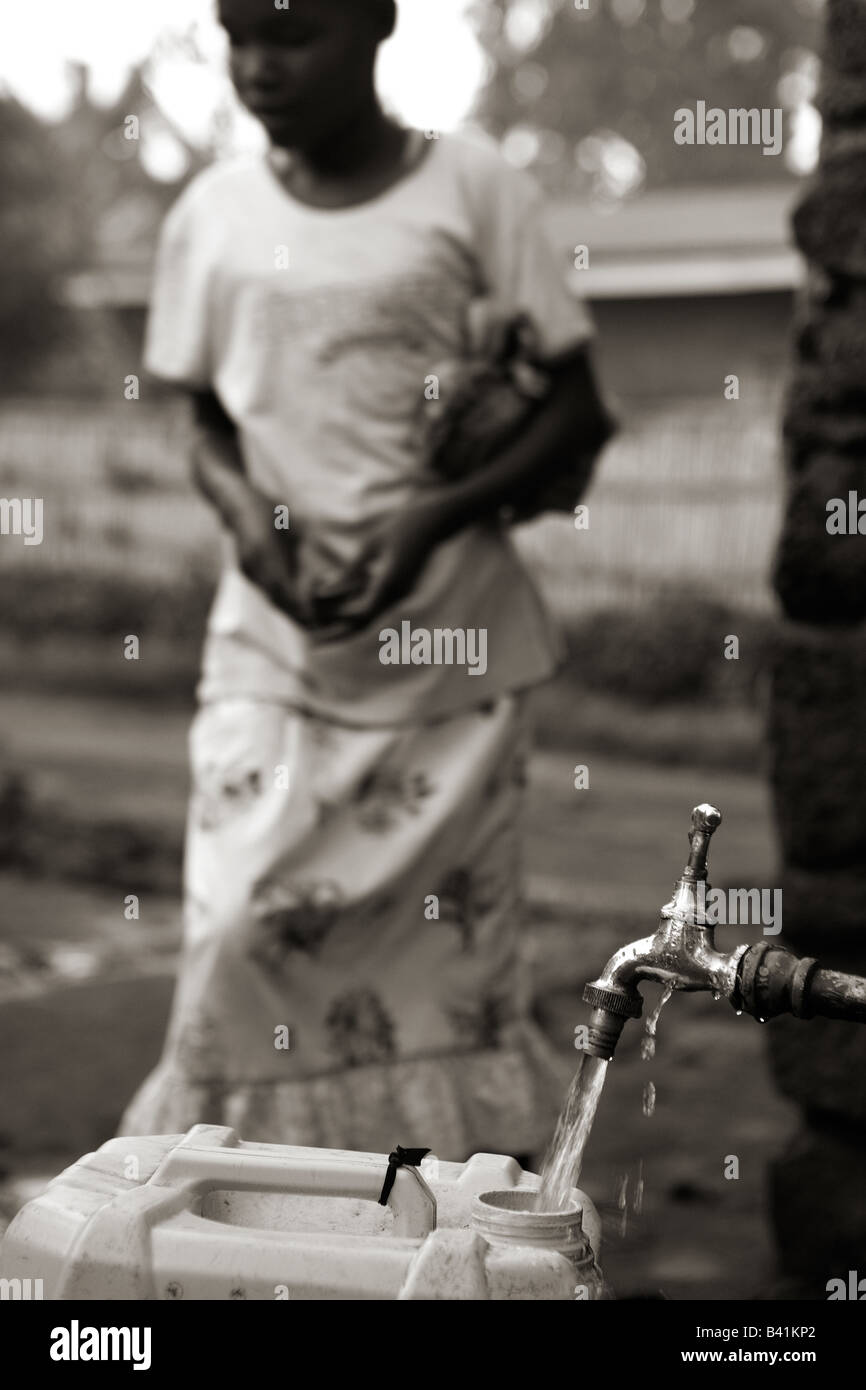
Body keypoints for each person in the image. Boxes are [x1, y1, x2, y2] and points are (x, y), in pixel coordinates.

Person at [118, 0, 615, 1160]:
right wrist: (250, 519)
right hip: (275, 649)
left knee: (454, 984)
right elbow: (200, 417)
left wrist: (433, 517)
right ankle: (233, 1236)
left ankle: (419, 1245)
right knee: (240, 936)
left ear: (375, 24)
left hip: (449, 665)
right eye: (238, 33)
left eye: (292, 33)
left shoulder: (475, 188)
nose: (258, 64)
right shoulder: (214, 214)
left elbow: (577, 409)